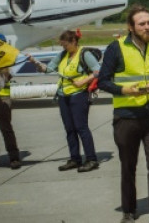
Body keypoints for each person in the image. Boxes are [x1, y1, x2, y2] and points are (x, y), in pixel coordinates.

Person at [98, 5, 149, 223]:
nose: (147, 27)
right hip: (127, 116)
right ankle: (129, 210)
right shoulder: (116, 48)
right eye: (142, 23)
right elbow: (103, 80)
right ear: (131, 27)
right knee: (128, 165)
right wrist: (124, 90)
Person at [28, 29, 101, 173]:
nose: (64, 48)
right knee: (69, 129)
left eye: (65, 45)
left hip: (78, 95)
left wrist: (83, 81)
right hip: (63, 95)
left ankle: (91, 159)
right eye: (62, 46)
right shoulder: (63, 55)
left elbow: (98, 70)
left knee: (81, 127)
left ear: (74, 42)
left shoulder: (84, 54)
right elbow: (48, 69)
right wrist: (35, 62)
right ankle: (75, 158)